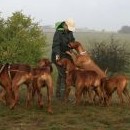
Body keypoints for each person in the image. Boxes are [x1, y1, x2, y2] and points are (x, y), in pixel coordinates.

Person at [51, 18, 75, 100]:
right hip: (58, 57)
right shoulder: (58, 33)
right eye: (68, 28)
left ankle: (58, 94)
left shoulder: (70, 32)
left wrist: (71, 47)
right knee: (64, 75)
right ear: (65, 25)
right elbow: (55, 46)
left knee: (60, 75)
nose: (69, 30)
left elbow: (72, 41)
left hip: (66, 56)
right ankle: (62, 96)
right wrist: (57, 56)